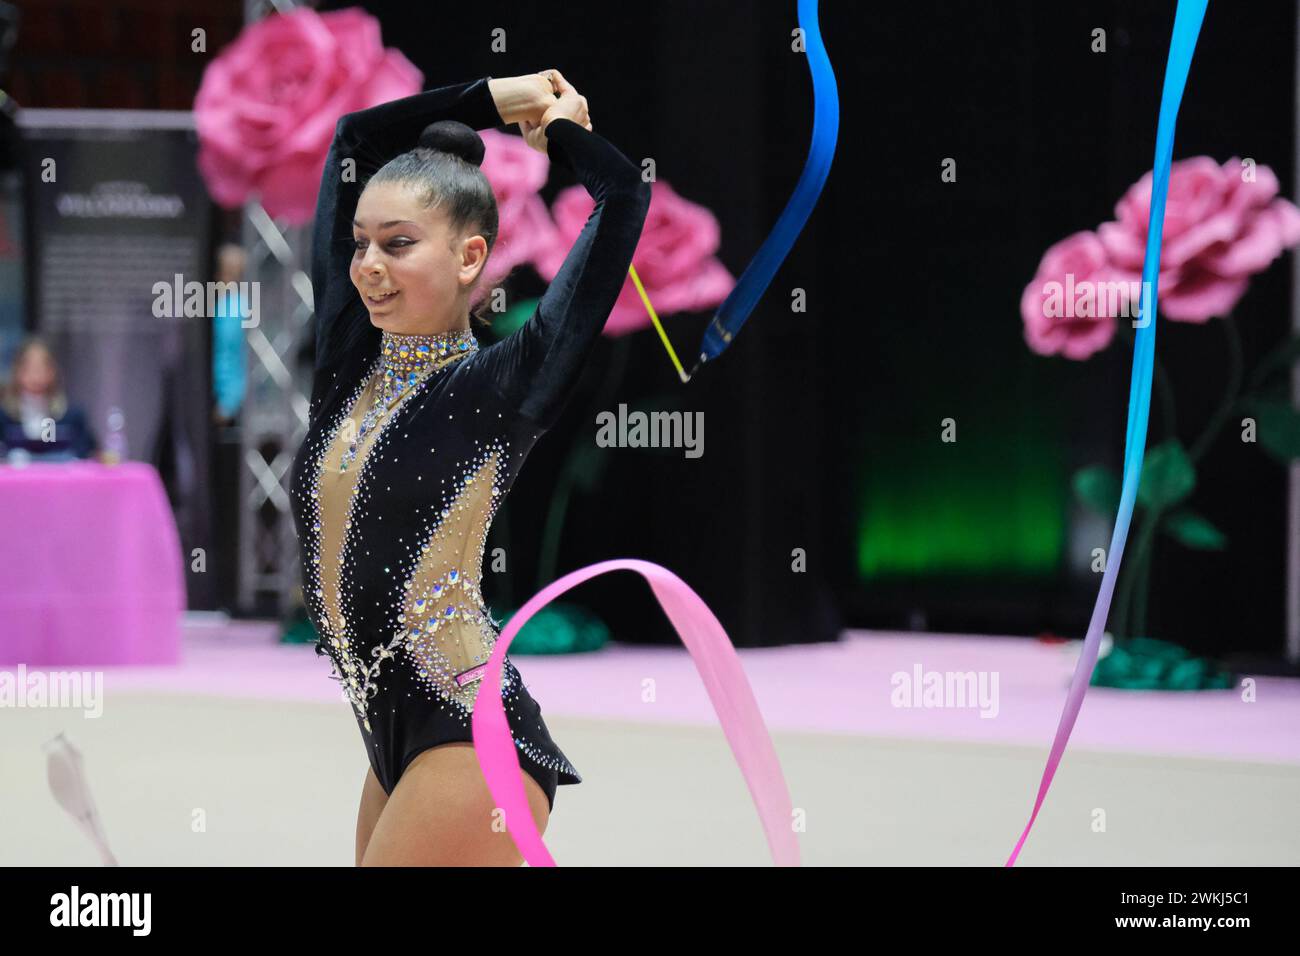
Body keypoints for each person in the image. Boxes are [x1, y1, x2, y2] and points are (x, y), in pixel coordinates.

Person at [288, 70, 650, 865]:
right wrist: (491, 97)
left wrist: (556, 129)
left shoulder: (505, 383)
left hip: (467, 725)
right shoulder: (349, 363)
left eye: (398, 244)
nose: (367, 266)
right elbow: (355, 139)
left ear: (470, 256)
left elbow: (623, 195)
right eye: (362, 243)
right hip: (390, 735)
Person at [0, 335, 99, 461]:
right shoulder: (3, 417)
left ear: (52, 371)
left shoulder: (72, 416)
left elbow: (87, 453)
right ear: (17, 371)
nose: (35, 375)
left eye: (41, 367)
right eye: (29, 368)